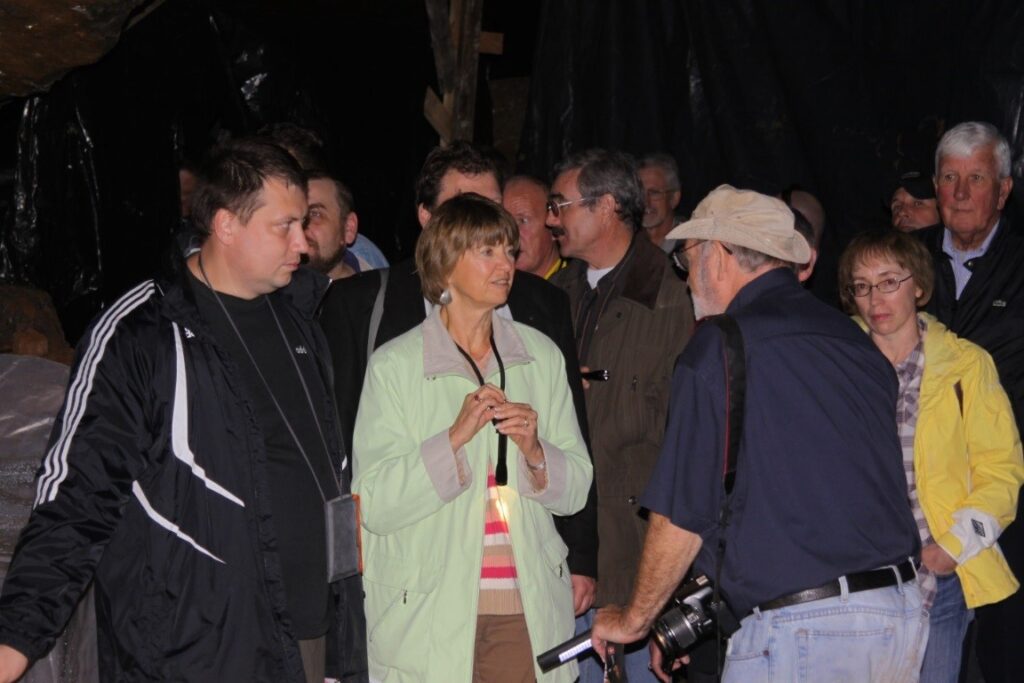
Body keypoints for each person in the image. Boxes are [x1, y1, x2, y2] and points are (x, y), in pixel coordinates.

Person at [0, 138, 361, 683]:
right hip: (198, 652)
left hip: (308, 640)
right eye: (284, 226)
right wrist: (15, 639)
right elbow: (77, 497)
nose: (304, 244)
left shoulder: (301, 321)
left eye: (304, 224)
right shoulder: (143, 331)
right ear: (226, 224)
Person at [592, 185, 927, 683]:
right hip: (898, 615)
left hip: (806, 632)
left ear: (720, 254)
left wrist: (634, 619)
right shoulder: (854, 343)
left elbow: (683, 515)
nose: (685, 282)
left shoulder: (720, 344)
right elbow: (792, 505)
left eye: (687, 262)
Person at [319, 141, 599, 620]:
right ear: (434, 227)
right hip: (421, 588)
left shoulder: (543, 320)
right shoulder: (375, 321)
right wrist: (451, 440)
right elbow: (352, 463)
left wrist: (581, 557)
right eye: (469, 222)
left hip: (527, 586)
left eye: (493, 216)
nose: (502, 261)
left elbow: (577, 457)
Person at [352, 193, 592, 682]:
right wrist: (453, 440)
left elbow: (578, 491)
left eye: (508, 250)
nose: (506, 263)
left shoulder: (540, 356)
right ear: (444, 262)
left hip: (521, 610)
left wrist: (536, 453)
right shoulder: (395, 367)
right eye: (487, 251)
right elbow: (373, 503)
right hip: (428, 613)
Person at [839, 230, 1024, 682]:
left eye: (888, 281)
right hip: (856, 577)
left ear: (918, 286)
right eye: (862, 286)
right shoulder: (837, 357)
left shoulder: (967, 364)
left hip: (937, 578)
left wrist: (952, 548)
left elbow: (1002, 472)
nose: (874, 298)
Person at [548, 148, 694, 682]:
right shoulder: (552, 296)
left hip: (638, 563)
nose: (549, 218)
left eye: (559, 204)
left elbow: (687, 439)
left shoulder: (675, 298)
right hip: (562, 550)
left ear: (607, 206)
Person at [917, 121, 1024, 683]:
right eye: (949, 178)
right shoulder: (901, 266)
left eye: (975, 178)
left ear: (1003, 189)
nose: (960, 193)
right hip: (918, 509)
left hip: (1010, 500)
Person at [305, 170, 371, 279]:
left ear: (348, 228)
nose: (300, 228)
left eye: (315, 214)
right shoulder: (269, 288)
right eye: (292, 218)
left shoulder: (381, 292)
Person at [503, 174, 566, 279]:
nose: (510, 233)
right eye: (505, 221)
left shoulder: (578, 290)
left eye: (523, 221)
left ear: (554, 226)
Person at [638, 153, 683, 252]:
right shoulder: (624, 243)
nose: (645, 201)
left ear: (674, 198)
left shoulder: (690, 245)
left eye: (654, 193)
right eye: (639, 193)